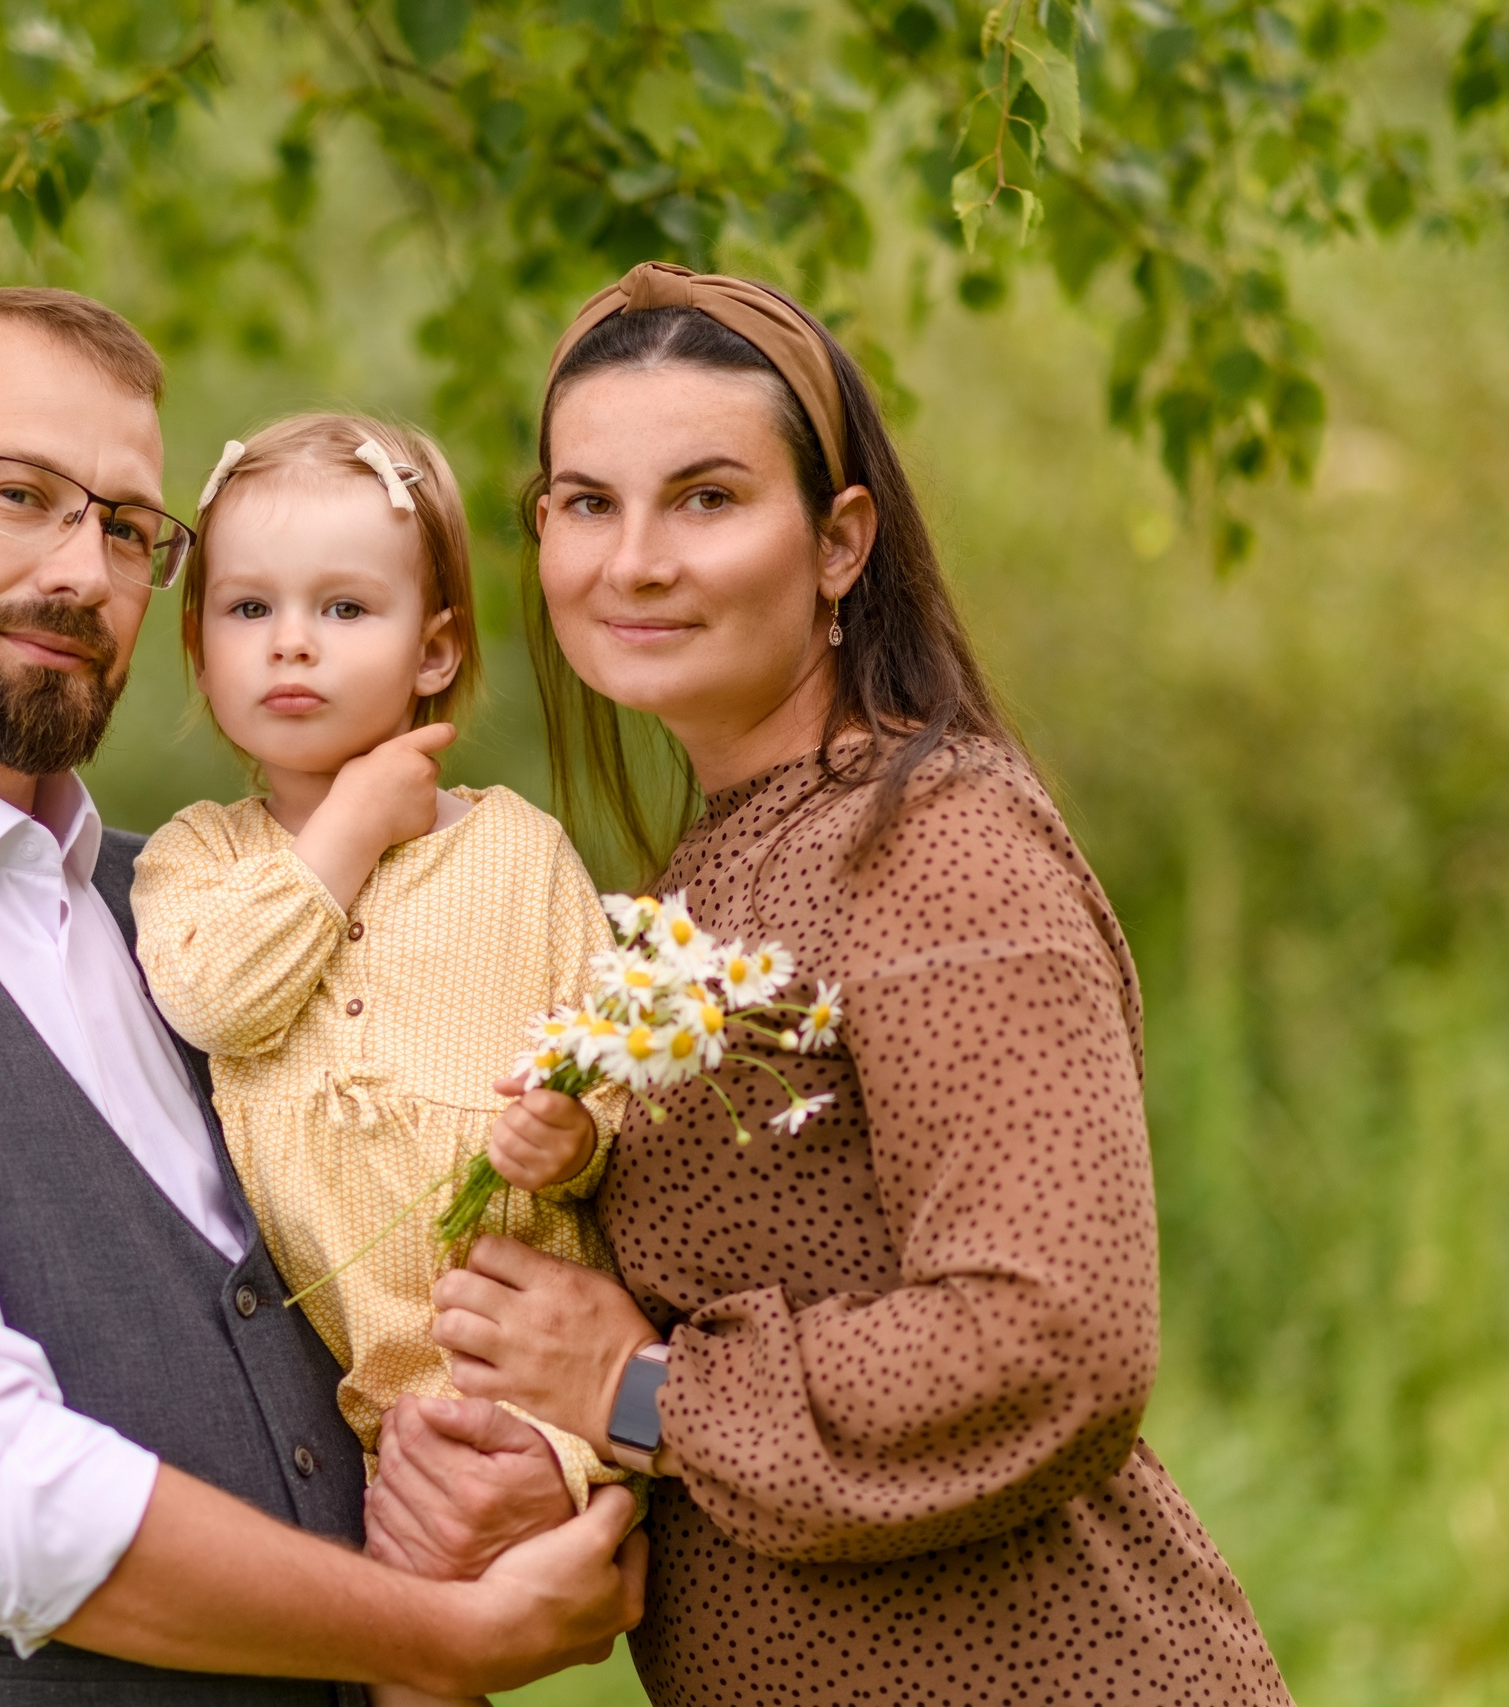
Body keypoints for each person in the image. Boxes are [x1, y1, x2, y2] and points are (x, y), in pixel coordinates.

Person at [0, 288, 643, 1705]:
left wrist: (586, 1416)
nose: (84, 568)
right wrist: (442, 1637)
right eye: (17, 494)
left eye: (131, 527)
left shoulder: (206, 911)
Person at [375, 262, 1296, 1702]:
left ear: (839, 540)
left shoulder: (934, 846)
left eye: (707, 498)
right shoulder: (699, 883)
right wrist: (555, 1459)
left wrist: (642, 1395)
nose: (634, 563)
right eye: (587, 504)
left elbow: (1049, 1335)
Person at [127, 414, 633, 1707]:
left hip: (531, 1375)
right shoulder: (198, 859)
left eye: (346, 606)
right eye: (247, 607)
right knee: (399, 1648)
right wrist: (344, 827)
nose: (290, 640)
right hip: (341, 1407)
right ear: (202, 647)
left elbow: (611, 1061)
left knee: (453, 1601)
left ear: (437, 648)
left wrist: (575, 1136)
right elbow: (213, 1001)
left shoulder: (518, 854)